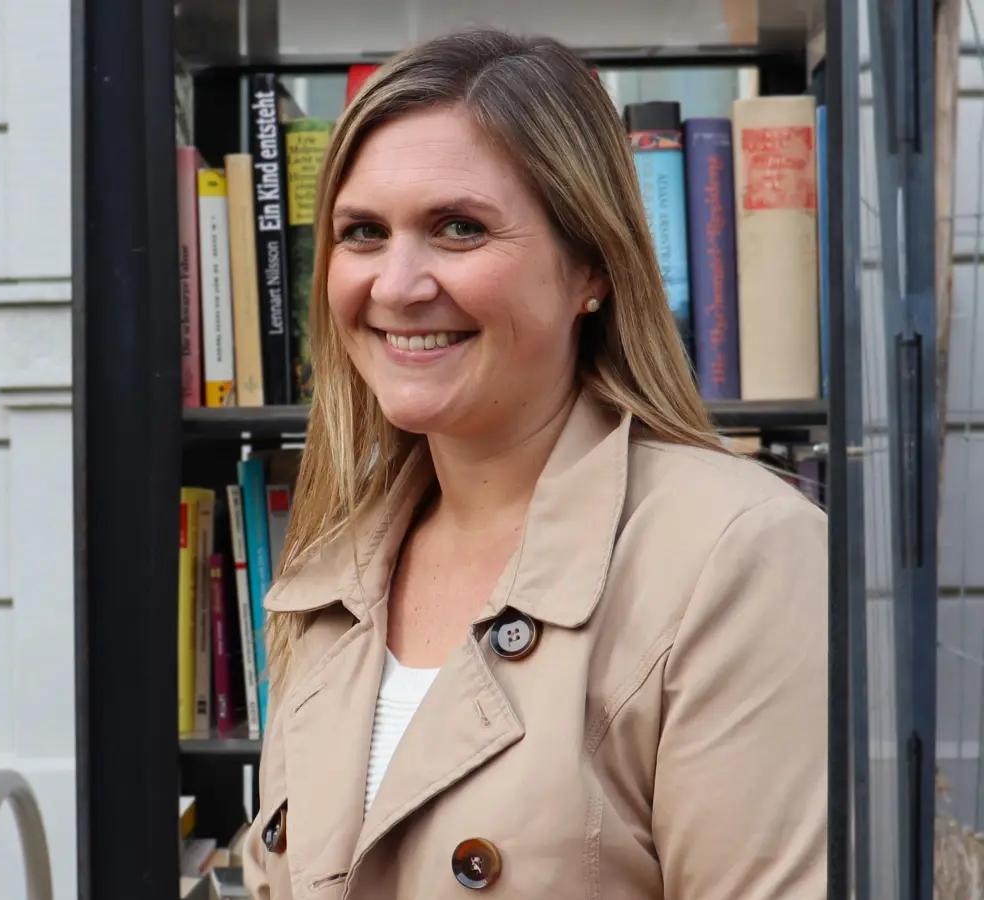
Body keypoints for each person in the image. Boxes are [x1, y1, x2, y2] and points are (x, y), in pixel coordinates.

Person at [241, 28, 828, 899]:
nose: (397, 285)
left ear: (590, 264)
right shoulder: (330, 571)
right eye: (362, 233)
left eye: (458, 228)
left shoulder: (740, 557)